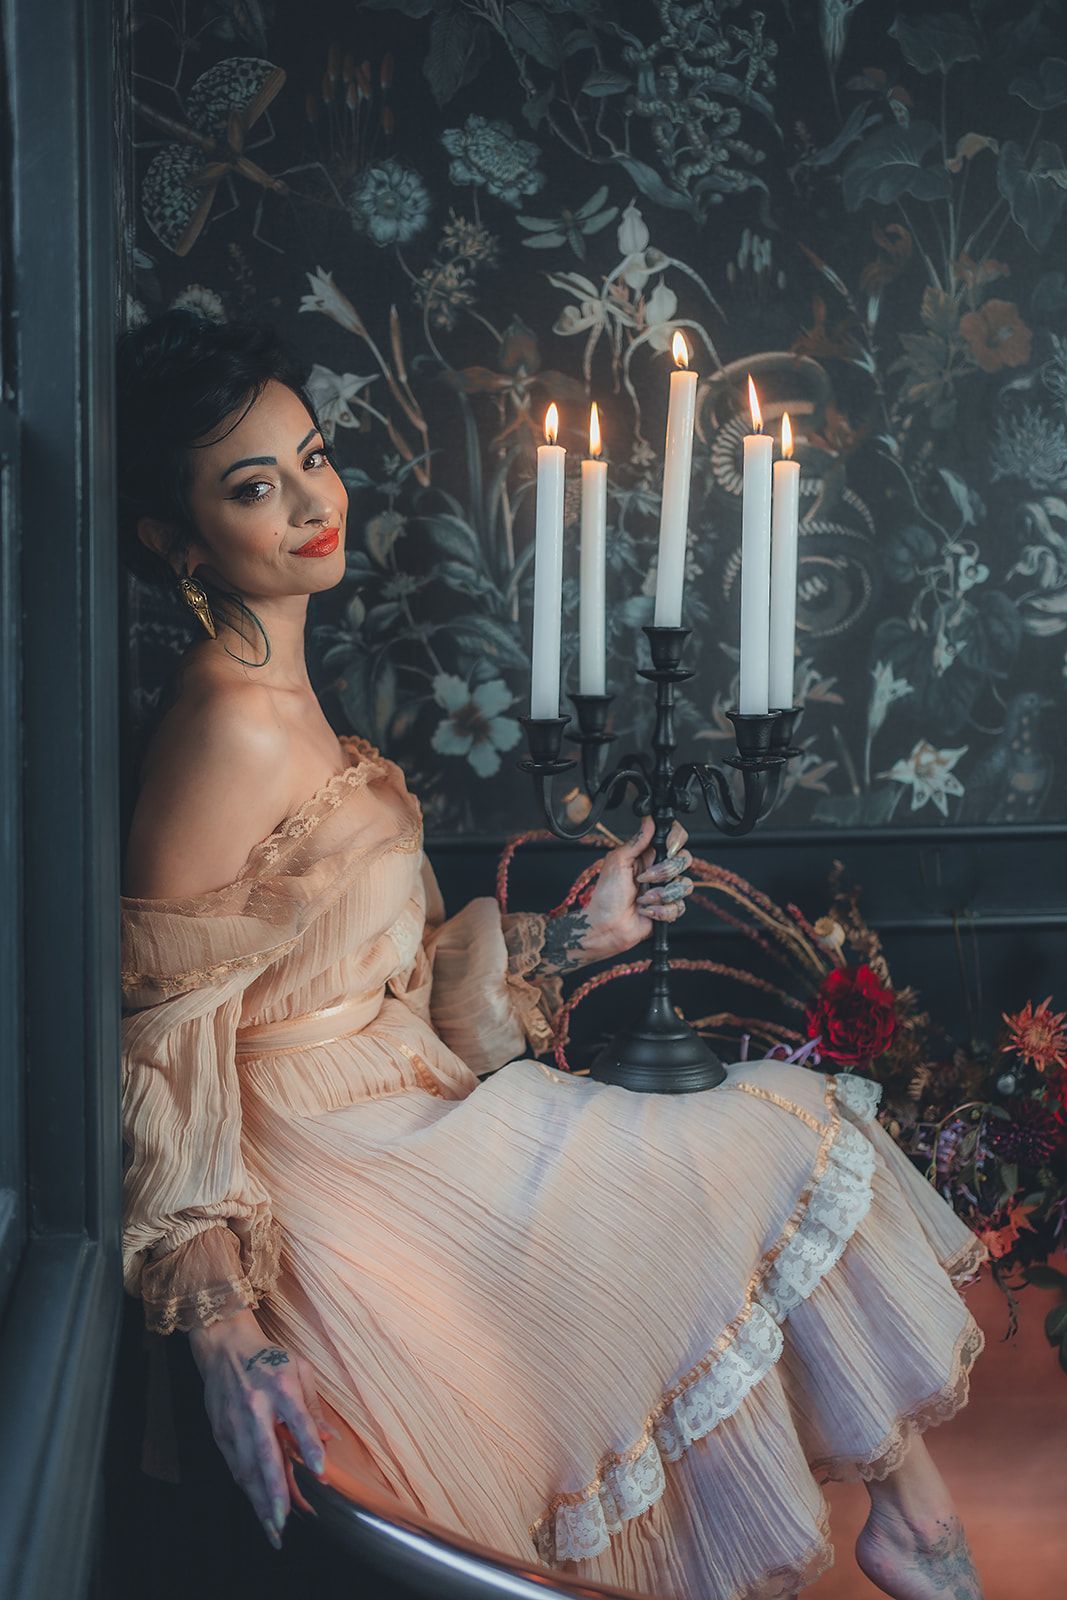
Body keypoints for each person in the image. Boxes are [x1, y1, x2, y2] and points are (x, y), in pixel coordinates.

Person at [117, 310, 990, 1600]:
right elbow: (163, 1049)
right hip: (337, 1169)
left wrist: (581, 932)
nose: (313, 503)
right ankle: (914, 1534)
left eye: (314, 457)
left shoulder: (283, 696)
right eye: (256, 487)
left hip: (404, 1101)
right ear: (177, 540)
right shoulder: (227, 730)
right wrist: (227, 1332)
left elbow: (378, 973)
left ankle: (913, 1529)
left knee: (785, 1131)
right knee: (778, 1128)